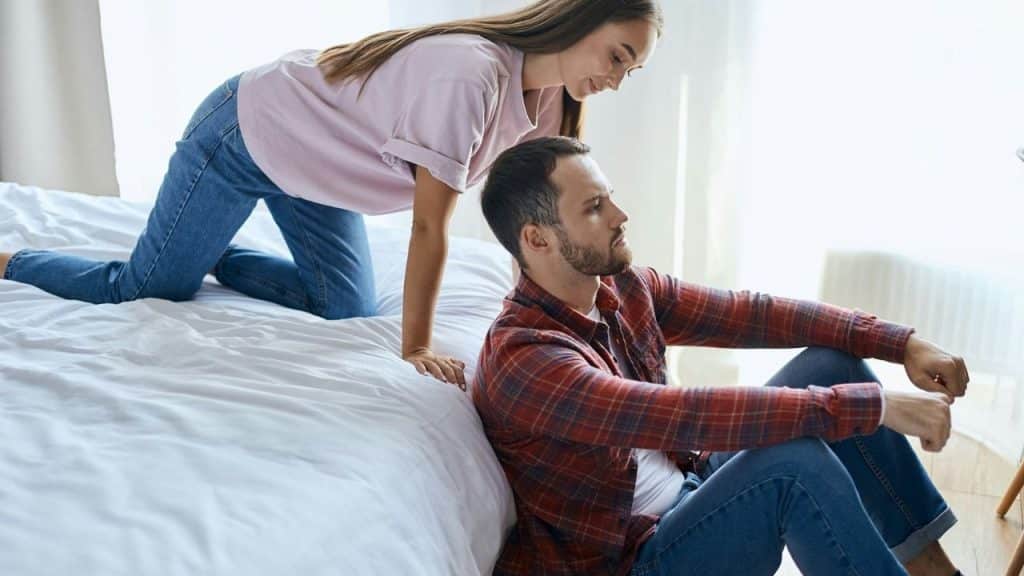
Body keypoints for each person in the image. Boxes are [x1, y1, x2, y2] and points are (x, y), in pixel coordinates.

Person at [0, 0, 662, 387]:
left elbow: (527, 225)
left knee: (343, 307)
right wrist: (415, 349)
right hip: (246, 133)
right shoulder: (473, 77)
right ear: (582, 19)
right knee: (143, 288)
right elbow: (430, 228)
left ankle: (210, 249)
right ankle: (13, 262)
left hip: (316, 172)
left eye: (632, 70)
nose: (618, 77)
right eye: (617, 56)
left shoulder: (546, 102)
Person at [473, 136, 969, 575]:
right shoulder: (525, 360)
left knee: (830, 366)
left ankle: (933, 572)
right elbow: (681, 417)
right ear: (537, 239)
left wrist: (901, 343)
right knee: (792, 463)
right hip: (634, 560)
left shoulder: (622, 288)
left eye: (611, 198)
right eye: (594, 207)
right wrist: (876, 406)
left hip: (688, 488)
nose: (620, 216)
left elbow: (753, 314)